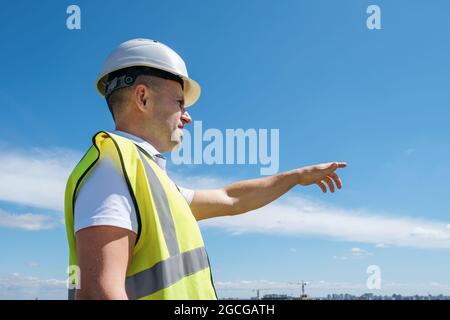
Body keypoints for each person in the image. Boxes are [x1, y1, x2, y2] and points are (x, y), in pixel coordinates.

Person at [64, 38, 347, 300]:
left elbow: (230, 198)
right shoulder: (111, 169)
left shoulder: (146, 175)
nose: (187, 117)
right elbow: (98, 293)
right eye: (179, 102)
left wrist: (296, 177)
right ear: (142, 98)